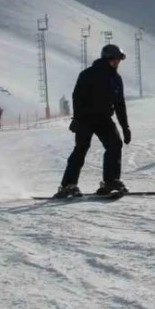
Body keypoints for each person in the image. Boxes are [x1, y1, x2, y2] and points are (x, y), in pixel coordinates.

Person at [55, 44, 132, 197]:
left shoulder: (116, 79)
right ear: (107, 59)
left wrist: (125, 127)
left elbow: (119, 105)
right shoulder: (88, 74)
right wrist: (77, 118)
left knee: (115, 144)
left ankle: (111, 181)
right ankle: (68, 185)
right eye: (115, 60)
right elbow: (77, 97)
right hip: (85, 118)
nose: (117, 63)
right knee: (81, 148)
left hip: (103, 119)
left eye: (119, 60)